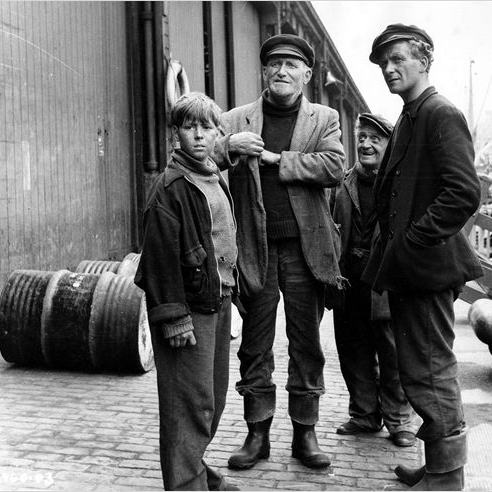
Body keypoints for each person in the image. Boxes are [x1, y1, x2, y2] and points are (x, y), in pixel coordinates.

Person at [213, 33, 345, 470]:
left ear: (307, 74)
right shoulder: (236, 119)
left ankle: (305, 434)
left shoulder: (324, 118)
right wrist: (228, 147)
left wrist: (277, 160)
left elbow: (333, 167)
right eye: (274, 64)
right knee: (254, 345)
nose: (282, 71)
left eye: (291, 65)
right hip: (255, 250)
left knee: (306, 343)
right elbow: (201, 155)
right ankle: (257, 434)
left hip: (306, 252)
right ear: (264, 71)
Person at [362, 24, 484, 491]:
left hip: (426, 269)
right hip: (411, 271)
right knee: (418, 371)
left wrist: (413, 240)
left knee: (431, 372)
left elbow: (463, 193)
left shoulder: (439, 113)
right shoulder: (411, 115)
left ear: (425, 61)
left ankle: (448, 476)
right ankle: (437, 464)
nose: (389, 69)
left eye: (398, 59)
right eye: (384, 63)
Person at [134, 92, 239, 491]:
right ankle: (185, 484)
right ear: (175, 133)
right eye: (189, 126)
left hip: (217, 299)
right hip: (188, 309)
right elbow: (158, 260)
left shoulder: (212, 177)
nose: (198, 135)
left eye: (206, 127)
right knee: (187, 404)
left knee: (211, 399)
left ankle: (196, 471)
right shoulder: (170, 187)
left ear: (218, 133)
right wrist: (175, 317)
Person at [328, 112, 416, 447]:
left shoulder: (399, 186)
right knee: (352, 350)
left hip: (386, 282)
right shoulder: (341, 183)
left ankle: (399, 420)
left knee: (393, 355)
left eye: (375, 139)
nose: (366, 144)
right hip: (349, 281)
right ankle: (364, 414)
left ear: (388, 144)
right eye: (362, 137)